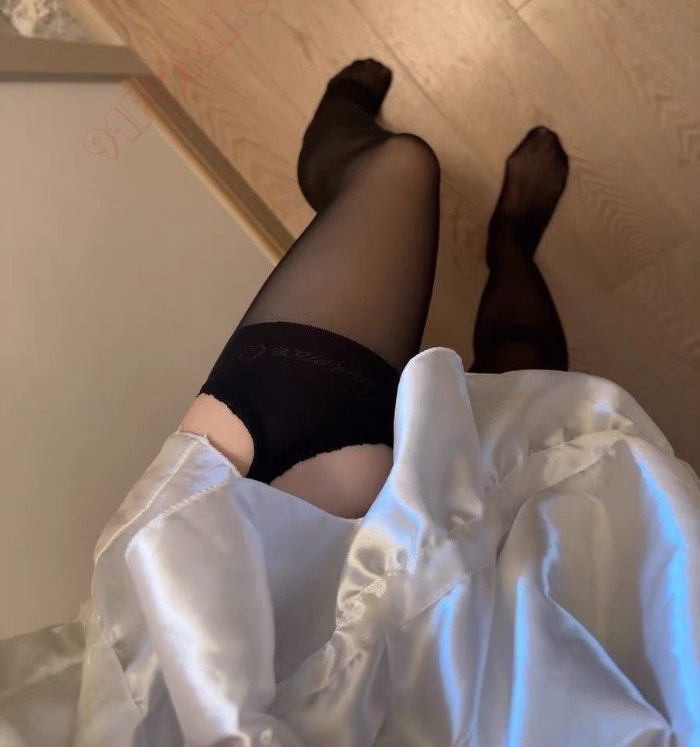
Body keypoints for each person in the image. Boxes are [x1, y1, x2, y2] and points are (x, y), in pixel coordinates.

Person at [1, 60, 698, 745]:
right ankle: (510, 243)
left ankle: (342, 147)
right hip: (493, 694)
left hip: (211, 609)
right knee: (533, 403)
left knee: (403, 167)